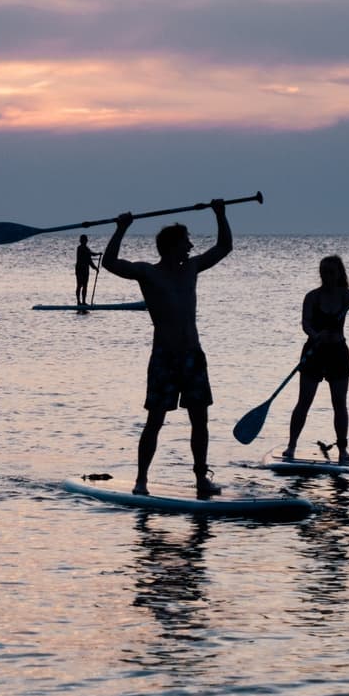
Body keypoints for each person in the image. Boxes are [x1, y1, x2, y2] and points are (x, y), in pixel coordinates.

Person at [101, 200, 232, 498]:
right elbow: (110, 263)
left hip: (192, 355)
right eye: (186, 241)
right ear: (172, 246)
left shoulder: (192, 268)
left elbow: (224, 247)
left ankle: (201, 479)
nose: (190, 246)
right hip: (164, 357)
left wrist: (221, 215)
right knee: (155, 421)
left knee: (200, 420)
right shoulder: (149, 273)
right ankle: (141, 481)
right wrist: (121, 229)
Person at [282, 255, 349, 464]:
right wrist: (316, 336)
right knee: (304, 402)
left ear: (339, 274)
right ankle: (291, 446)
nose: (327, 276)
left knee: (339, 403)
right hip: (314, 352)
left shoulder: (347, 296)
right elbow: (305, 323)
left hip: (338, 354)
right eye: (323, 272)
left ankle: (342, 450)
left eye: (331, 272)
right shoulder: (312, 297)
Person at [75, 234, 99, 307]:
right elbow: (90, 254)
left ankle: (84, 302)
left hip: (85, 269)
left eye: (85, 240)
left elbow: (89, 261)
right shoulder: (80, 248)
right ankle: (79, 302)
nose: (85, 241)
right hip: (80, 269)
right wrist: (97, 254)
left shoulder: (87, 249)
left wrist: (95, 268)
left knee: (85, 285)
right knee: (79, 285)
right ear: (81, 241)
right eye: (83, 240)